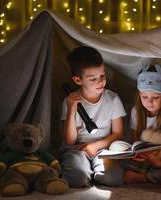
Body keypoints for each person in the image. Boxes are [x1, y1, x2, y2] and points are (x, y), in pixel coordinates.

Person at [60, 46, 126, 187]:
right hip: (77, 149)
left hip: (103, 147)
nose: (100, 81)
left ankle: (94, 170)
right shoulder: (71, 101)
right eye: (93, 79)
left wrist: (95, 146)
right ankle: (85, 169)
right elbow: (70, 140)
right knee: (77, 178)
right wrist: (72, 109)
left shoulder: (112, 99)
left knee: (113, 179)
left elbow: (119, 133)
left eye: (102, 76)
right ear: (78, 80)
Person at [123, 64, 161, 184]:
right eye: (144, 97)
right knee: (118, 159)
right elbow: (135, 141)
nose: (149, 102)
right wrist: (138, 155)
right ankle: (148, 174)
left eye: (155, 97)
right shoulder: (136, 111)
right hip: (146, 160)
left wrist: (159, 162)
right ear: (139, 96)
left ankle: (144, 177)